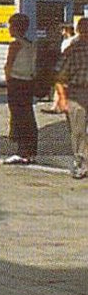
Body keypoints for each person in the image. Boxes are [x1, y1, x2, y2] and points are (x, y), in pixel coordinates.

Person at [0, 12, 39, 165]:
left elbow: (9, 66)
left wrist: (8, 80)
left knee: (18, 116)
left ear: (16, 27)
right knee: (28, 115)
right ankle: (30, 151)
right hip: (29, 82)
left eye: (11, 26)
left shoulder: (15, 45)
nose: (9, 28)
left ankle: (22, 151)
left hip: (16, 83)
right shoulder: (31, 44)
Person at [56, 16, 88, 179]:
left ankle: (81, 165)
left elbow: (59, 75)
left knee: (78, 131)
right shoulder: (72, 50)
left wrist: (62, 98)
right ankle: (82, 163)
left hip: (77, 92)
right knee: (78, 131)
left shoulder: (71, 50)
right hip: (77, 92)